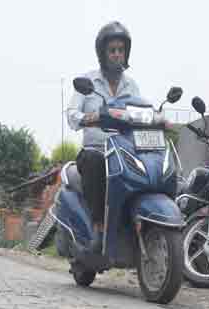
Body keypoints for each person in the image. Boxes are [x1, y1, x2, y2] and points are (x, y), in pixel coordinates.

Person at [67, 21, 141, 252]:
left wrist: (160, 120)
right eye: (112, 50)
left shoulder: (131, 85)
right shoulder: (89, 82)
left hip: (124, 152)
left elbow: (141, 110)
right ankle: (99, 228)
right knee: (95, 162)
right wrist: (90, 118)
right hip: (96, 151)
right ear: (103, 53)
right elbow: (71, 115)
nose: (117, 55)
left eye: (121, 50)